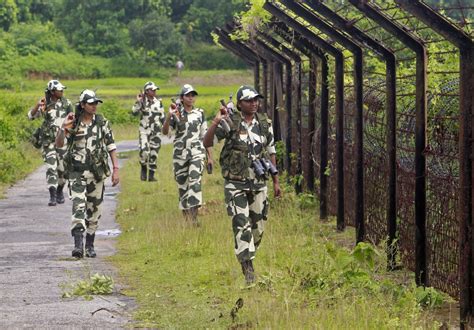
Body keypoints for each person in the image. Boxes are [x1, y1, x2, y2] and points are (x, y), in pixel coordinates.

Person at [203, 85, 281, 285]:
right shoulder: (231, 122)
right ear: (239, 104)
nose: (254, 103)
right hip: (235, 184)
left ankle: (247, 255)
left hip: (258, 183)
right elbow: (207, 142)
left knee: (258, 229)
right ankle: (248, 270)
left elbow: (271, 151)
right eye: (249, 100)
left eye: (256, 100)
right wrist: (216, 122)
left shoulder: (264, 124)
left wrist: (276, 181)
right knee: (241, 225)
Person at [55, 90, 120, 258]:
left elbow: (111, 146)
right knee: (78, 207)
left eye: (95, 103)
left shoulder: (102, 123)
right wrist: (63, 128)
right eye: (90, 103)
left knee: (95, 210)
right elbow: (59, 143)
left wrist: (116, 169)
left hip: (96, 174)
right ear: (82, 105)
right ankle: (78, 245)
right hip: (77, 173)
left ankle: (90, 244)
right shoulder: (73, 122)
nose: (94, 106)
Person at [162, 84, 212, 225]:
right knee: (183, 185)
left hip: (197, 152)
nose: (191, 98)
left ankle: (194, 217)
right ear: (182, 98)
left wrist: (210, 157)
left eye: (193, 95)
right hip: (180, 154)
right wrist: (168, 116)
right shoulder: (176, 114)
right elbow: (165, 132)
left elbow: (205, 136)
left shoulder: (200, 114)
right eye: (187, 95)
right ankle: (187, 218)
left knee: (195, 183)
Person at [28, 79, 73, 206]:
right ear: (53, 92)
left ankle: (59, 190)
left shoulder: (67, 103)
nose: (62, 92)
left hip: (63, 141)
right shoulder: (45, 104)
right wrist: (38, 105)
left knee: (62, 170)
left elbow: (73, 120)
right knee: (50, 168)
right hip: (48, 142)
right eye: (59, 90)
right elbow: (31, 116)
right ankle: (52, 196)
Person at [131, 81, 165, 182]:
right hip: (144, 131)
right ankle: (143, 167)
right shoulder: (142, 102)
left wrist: (167, 127)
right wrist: (138, 102)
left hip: (156, 131)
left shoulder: (159, 102)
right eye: (152, 90)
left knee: (154, 154)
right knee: (144, 150)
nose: (154, 91)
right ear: (146, 91)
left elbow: (162, 116)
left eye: (155, 90)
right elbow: (134, 112)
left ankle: (151, 176)